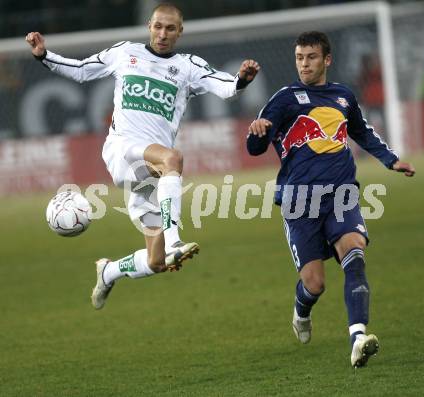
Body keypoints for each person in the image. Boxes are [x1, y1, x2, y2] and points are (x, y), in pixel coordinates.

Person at [26, 3, 259, 310]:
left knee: (157, 260)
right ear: (149, 25)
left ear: (180, 32)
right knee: (173, 159)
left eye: (170, 28)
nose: (163, 34)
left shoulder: (189, 66)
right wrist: (45, 55)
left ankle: (108, 272)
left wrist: (241, 78)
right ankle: (175, 238)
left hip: (150, 174)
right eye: (158, 26)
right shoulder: (125, 52)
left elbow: (227, 87)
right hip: (123, 149)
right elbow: (82, 70)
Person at [247, 31, 415, 368]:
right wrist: (258, 131)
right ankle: (301, 310)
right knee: (314, 283)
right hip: (299, 201)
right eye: (299, 58)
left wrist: (389, 160)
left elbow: (361, 132)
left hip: (341, 194)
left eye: (311, 57)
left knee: (354, 253)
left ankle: (358, 337)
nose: (304, 64)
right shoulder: (285, 98)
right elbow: (254, 147)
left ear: (327, 60)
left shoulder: (342, 96)